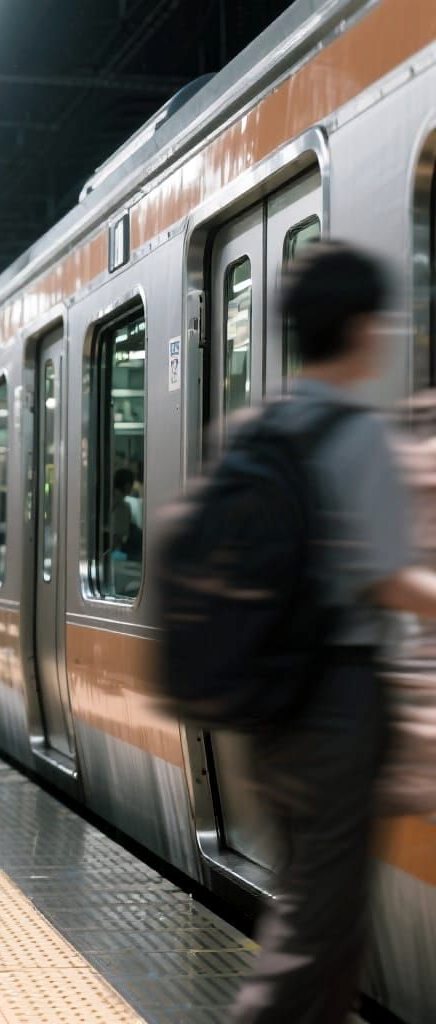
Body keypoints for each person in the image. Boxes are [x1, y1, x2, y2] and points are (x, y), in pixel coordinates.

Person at [232, 244, 436, 1023]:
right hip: (338, 705)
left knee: (318, 913)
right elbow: (389, 578)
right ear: (358, 328)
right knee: (321, 929)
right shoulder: (356, 437)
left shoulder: (262, 430)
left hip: (274, 707)